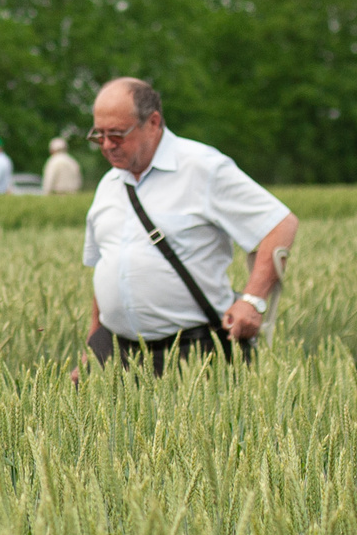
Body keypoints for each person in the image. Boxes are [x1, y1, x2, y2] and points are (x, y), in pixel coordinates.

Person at [78, 77, 299, 377]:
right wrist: (92, 347)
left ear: (153, 122)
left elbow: (280, 224)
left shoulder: (203, 167)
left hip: (192, 356)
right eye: (98, 135)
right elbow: (107, 265)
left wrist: (252, 301)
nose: (106, 145)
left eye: (117, 134)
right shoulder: (108, 184)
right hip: (115, 353)